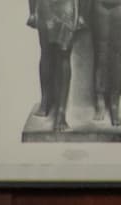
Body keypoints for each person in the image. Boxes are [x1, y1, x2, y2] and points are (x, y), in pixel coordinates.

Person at [30, 0, 84, 133]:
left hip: (67, 7)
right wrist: (31, 11)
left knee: (64, 55)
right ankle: (45, 101)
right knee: (46, 53)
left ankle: (61, 112)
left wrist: (81, 14)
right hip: (45, 6)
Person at [86, 0, 121, 131]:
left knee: (117, 54)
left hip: (119, 5)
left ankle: (115, 102)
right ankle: (100, 100)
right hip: (99, 5)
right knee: (101, 53)